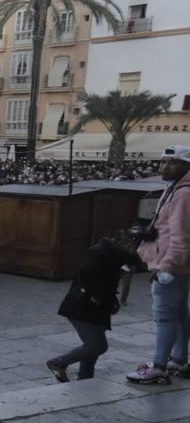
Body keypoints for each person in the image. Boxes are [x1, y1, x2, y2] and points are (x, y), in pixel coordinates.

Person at [128, 147, 190, 384]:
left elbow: (181, 237)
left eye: (172, 162)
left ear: (187, 166)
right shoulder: (176, 188)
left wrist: (166, 266)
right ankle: (180, 359)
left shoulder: (183, 193)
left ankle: (160, 366)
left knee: (164, 316)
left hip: (171, 265)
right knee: (181, 313)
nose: (164, 167)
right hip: (180, 264)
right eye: (162, 162)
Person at [47, 232, 140, 381]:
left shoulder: (114, 256)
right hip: (83, 306)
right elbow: (88, 280)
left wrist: (110, 301)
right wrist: (98, 298)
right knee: (98, 346)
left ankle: (85, 377)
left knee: (92, 345)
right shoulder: (103, 256)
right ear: (128, 246)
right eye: (137, 250)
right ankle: (58, 363)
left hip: (95, 307)